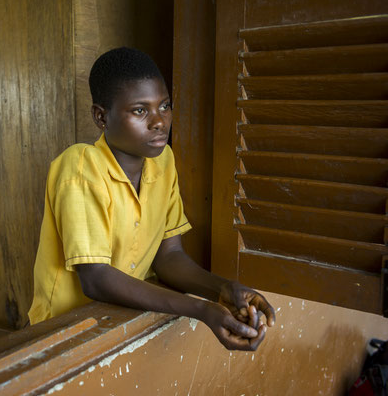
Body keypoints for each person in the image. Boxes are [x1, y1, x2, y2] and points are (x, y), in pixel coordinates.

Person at [28, 47, 275, 350]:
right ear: (101, 117)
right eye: (140, 111)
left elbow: (168, 257)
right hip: (64, 333)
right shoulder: (81, 166)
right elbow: (96, 278)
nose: (159, 121)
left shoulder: (162, 161)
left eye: (165, 106)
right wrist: (200, 310)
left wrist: (223, 290)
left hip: (120, 322)